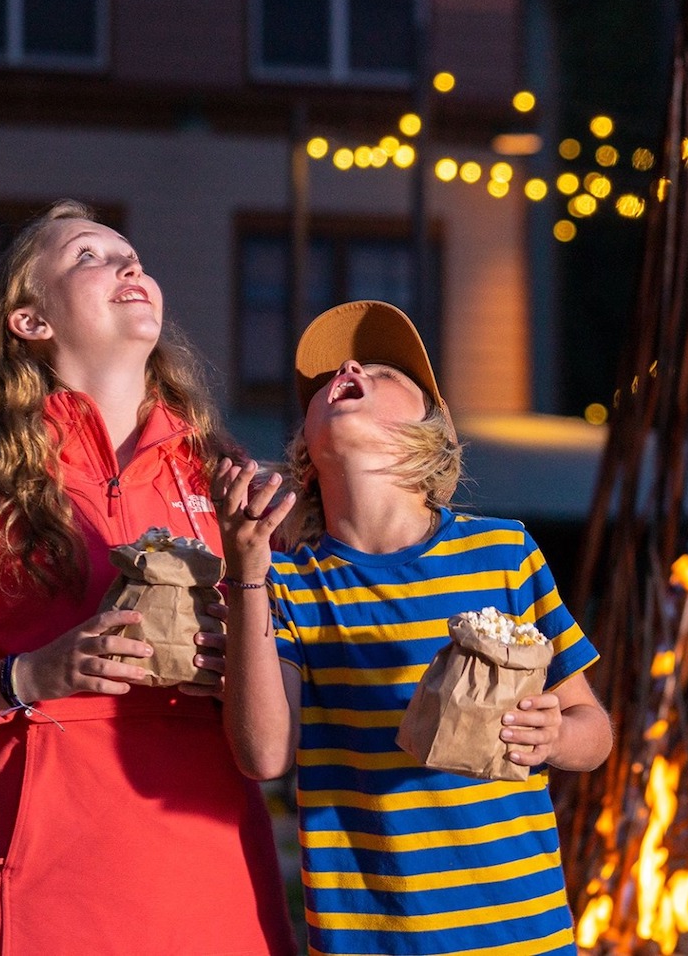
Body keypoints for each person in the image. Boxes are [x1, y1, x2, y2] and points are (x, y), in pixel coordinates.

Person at [0, 201, 295, 956]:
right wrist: (27, 677)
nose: (130, 266)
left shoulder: (223, 478)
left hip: (214, 895)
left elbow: (281, 702)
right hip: (35, 904)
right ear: (30, 321)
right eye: (89, 256)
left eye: (133, 255)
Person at [214, 300, 613, 956]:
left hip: (525, 937)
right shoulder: (285, 585)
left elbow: (593, 733)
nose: (349, 368)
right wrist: (248, 569)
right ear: (306, 455)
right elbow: (264, 757)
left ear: (429, 436)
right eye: (331, 381)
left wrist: (555, 736)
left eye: (383, 371)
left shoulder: (505, 553)